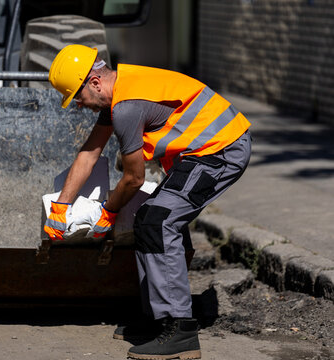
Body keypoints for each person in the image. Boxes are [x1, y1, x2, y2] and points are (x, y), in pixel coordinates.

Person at [43, 44, 251, 360]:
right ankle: (159, 318)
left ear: (95, 83)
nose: (80, 106)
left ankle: (179, 329)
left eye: (79, 97)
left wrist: (108, 213)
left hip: (220, 150)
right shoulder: (119, 91)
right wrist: (60, 206)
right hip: (202, 153)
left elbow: (134, 178)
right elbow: (89, 153)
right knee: (151, 219)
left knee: (157, 220)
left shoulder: (126, 107)